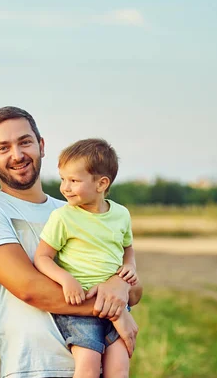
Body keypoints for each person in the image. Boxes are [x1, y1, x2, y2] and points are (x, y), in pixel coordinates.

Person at [0, 106, 142, 378]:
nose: (18, 154)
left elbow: (135, 290)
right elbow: (30, 289)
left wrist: (119, 284)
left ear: (41, 145)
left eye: (25, 142)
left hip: (99, 365)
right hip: (34, 367)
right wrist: (116, 311)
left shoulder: (76, 208)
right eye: (3, 148)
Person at [34, 138, 139, 378]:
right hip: (80, 308)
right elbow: (42, 257)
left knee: (119, 369)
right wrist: (66, 280)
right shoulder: (63, 218)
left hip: (116, 305)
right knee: (88, 368)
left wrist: (130, 267)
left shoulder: (121, 214)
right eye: (63, 179)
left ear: (101, 184)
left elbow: (128, 248)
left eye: (74, 181)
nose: (65, 187)